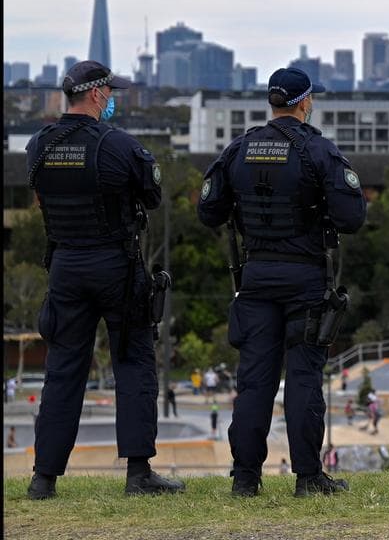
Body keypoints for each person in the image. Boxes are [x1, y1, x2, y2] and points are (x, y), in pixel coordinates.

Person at [198, 67, 367, 498]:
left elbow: (209, 213)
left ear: (271, 103)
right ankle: (309, 477)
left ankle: (245, 479)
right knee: (305, 377)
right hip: (306, 278)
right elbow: (352, 218)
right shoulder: (318, 150)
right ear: (305, 102)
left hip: (255, 278)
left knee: (254, 381)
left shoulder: (239, 149)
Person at [24, 61, 185, 500]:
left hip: (65, 268)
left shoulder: (40, 145)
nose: (113, 98)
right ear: (96, 95)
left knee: (62, 371)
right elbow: (151, 196)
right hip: (115, 265)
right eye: (110, 92)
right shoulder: (119, 146)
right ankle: (138, 474)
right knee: (133, 363)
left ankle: (44, 478)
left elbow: (39, 196)